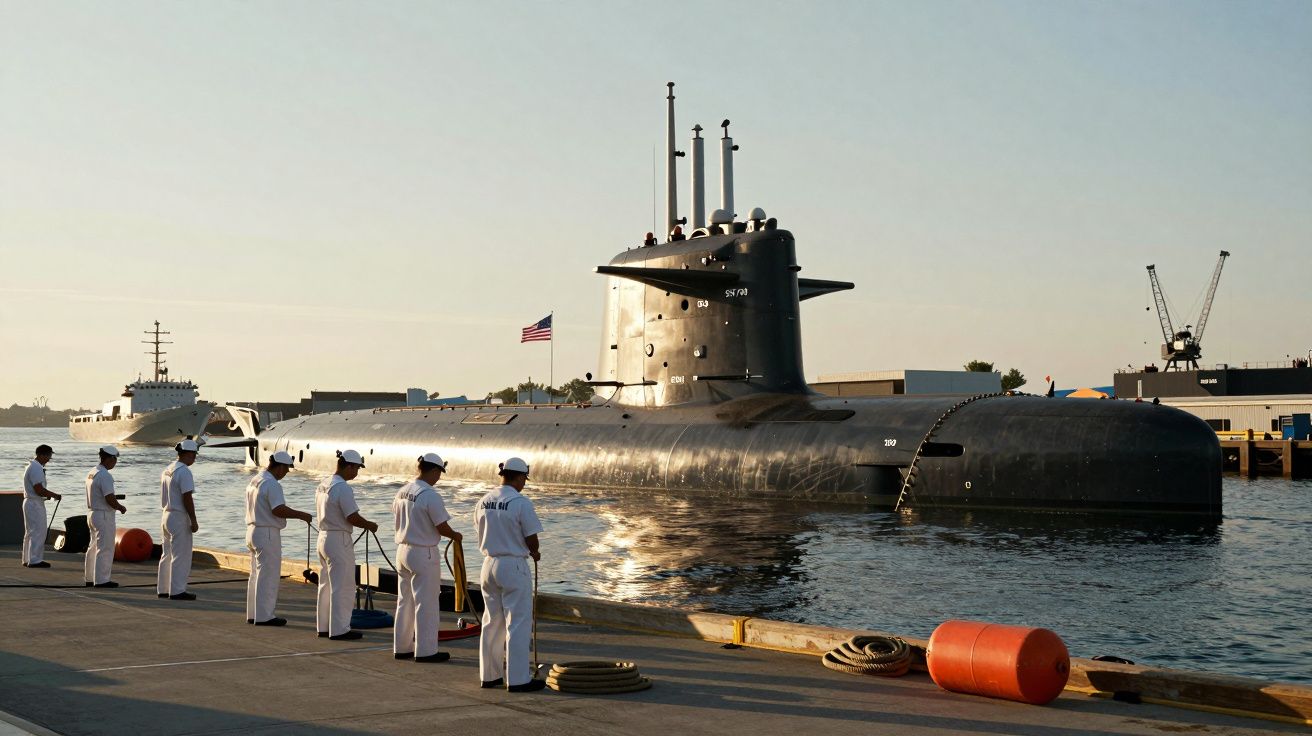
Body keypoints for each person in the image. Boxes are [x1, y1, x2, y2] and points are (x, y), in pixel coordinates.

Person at [475, 457, 545, 692]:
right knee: (517, 623)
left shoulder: (484, 501)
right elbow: (531, 536)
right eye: (524, 478)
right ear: (519, 477)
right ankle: (517, 679)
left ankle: (489, 675)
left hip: (488, 564)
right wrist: (534, 552)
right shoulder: (520, 502)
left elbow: (481, 529)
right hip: (513, 565)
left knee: (491, 622)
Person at [392, 452, 462, 662]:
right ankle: (425, 651)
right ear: (433, 470)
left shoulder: (402, 491)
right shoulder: (429, 494)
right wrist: (456, 535)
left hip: (402, 550)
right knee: (427, 603)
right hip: (423, 552)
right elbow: (441, 526)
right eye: (439, 473)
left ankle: (401, 647)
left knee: (405, 601)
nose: (438, 478)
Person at [316, 449, 379, 641]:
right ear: (349, 466)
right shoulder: (342, 487)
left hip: (323, 536)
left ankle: (324, 626)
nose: (357, 472)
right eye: (357, 468)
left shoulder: (323, 484)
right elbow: (351, 516)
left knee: (326, 585)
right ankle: (340, 629)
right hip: (339, 538)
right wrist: (370, 525)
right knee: (343, 586)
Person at [245, 450, 313, 626]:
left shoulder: (256, 480)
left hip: (252, 530)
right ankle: (265, 616)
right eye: (286, 469)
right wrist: (301, 514)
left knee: (255, 575)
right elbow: (278, 509)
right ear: (280, 466)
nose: (286, 473)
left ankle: (254, 613)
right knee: (268, 576)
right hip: (267, 532)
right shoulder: (272, 484)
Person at [158, 439, 201, 601]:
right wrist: (193, 519)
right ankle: (177, 590)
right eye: (194, 455)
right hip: (178, 516)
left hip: (166, 514)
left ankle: (163, 588)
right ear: (188, 454)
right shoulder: (184, 472)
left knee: (167, 554)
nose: (195, 458)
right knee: (180, 555)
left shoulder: (168, 469)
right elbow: (187, 497)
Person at [84, 446, 126, 587]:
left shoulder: (92, 472)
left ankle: (90, 577)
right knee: (106, 548)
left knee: (93, 547)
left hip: (92, 513)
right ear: (109, 458)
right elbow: (109, 497)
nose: (115, 463)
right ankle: (102, 580)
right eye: (115, 459)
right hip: (103, 515)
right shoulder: (105, 475)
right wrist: (120, 507)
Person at [21, 444, 61, 568]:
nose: (49, 459)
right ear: (41, 455)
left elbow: (38, 489)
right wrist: (54, 495)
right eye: (48, 456)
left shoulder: (32, 466)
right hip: (35, 503)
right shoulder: (36, 468)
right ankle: (35, 560)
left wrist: (46, 495)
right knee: (38, 532)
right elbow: (39, 489)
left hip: (31, 501)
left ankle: (27, 558)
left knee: (30, 532)